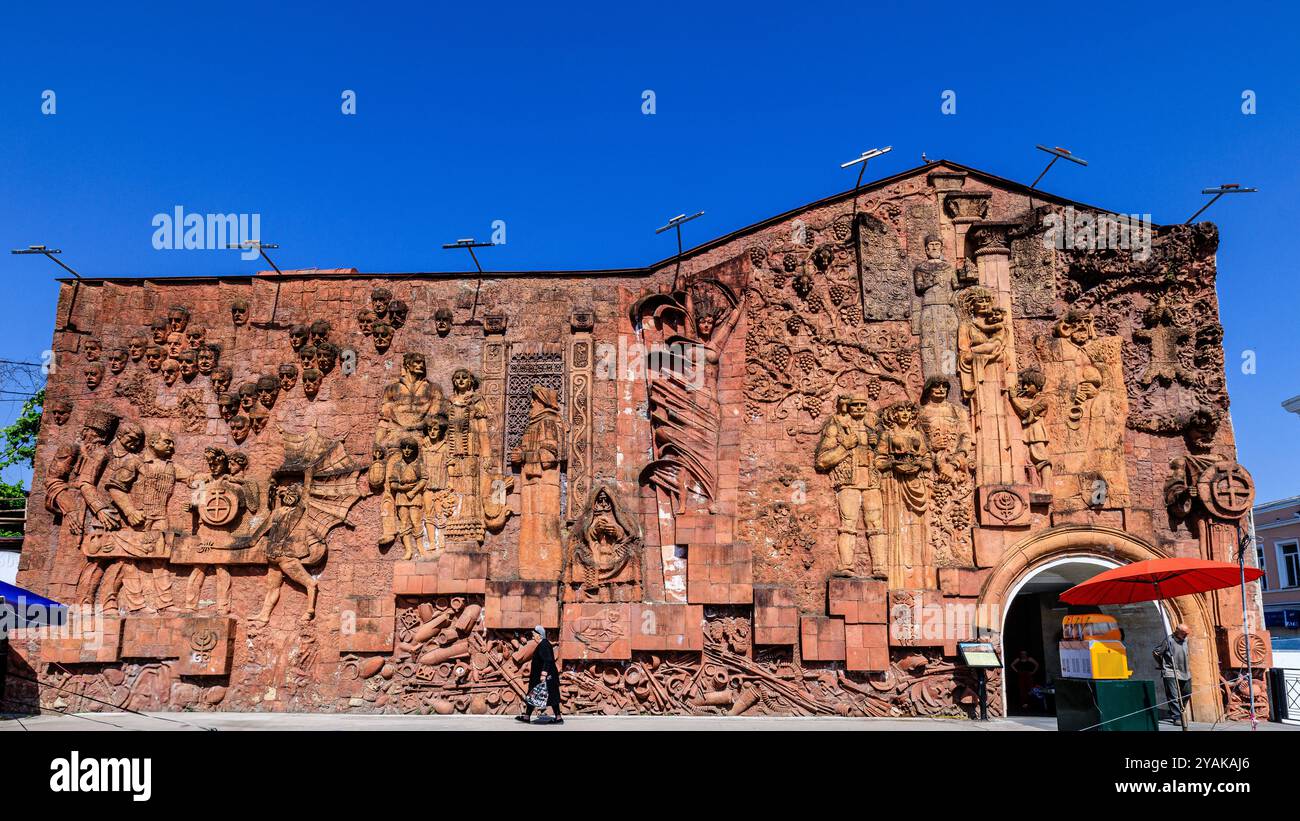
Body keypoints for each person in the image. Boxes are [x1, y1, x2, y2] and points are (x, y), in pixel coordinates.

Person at [518, 625, 563, 725]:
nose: (533, 636)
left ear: (539, 635)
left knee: (551, 696)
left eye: (534, 634)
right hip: (540, 677)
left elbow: (547, 660)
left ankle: (558, 718)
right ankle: (527, 717)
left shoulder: (544, 644)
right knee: (533, 695)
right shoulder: (543, 644)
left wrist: (543, 674)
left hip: (545, 677)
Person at [1153, 623, 1192, 725]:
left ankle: (1179, 709)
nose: (1186, 636)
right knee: (1173, 695)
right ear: (1177, 632)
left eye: (1187, 633)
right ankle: (1177, 717)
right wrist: (1162, 664)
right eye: (1184, 633)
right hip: (1171, 671)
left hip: (1185, 671)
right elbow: (1156, 652)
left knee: (1187, 692)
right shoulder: (1169, 640)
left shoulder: (1186, 640)